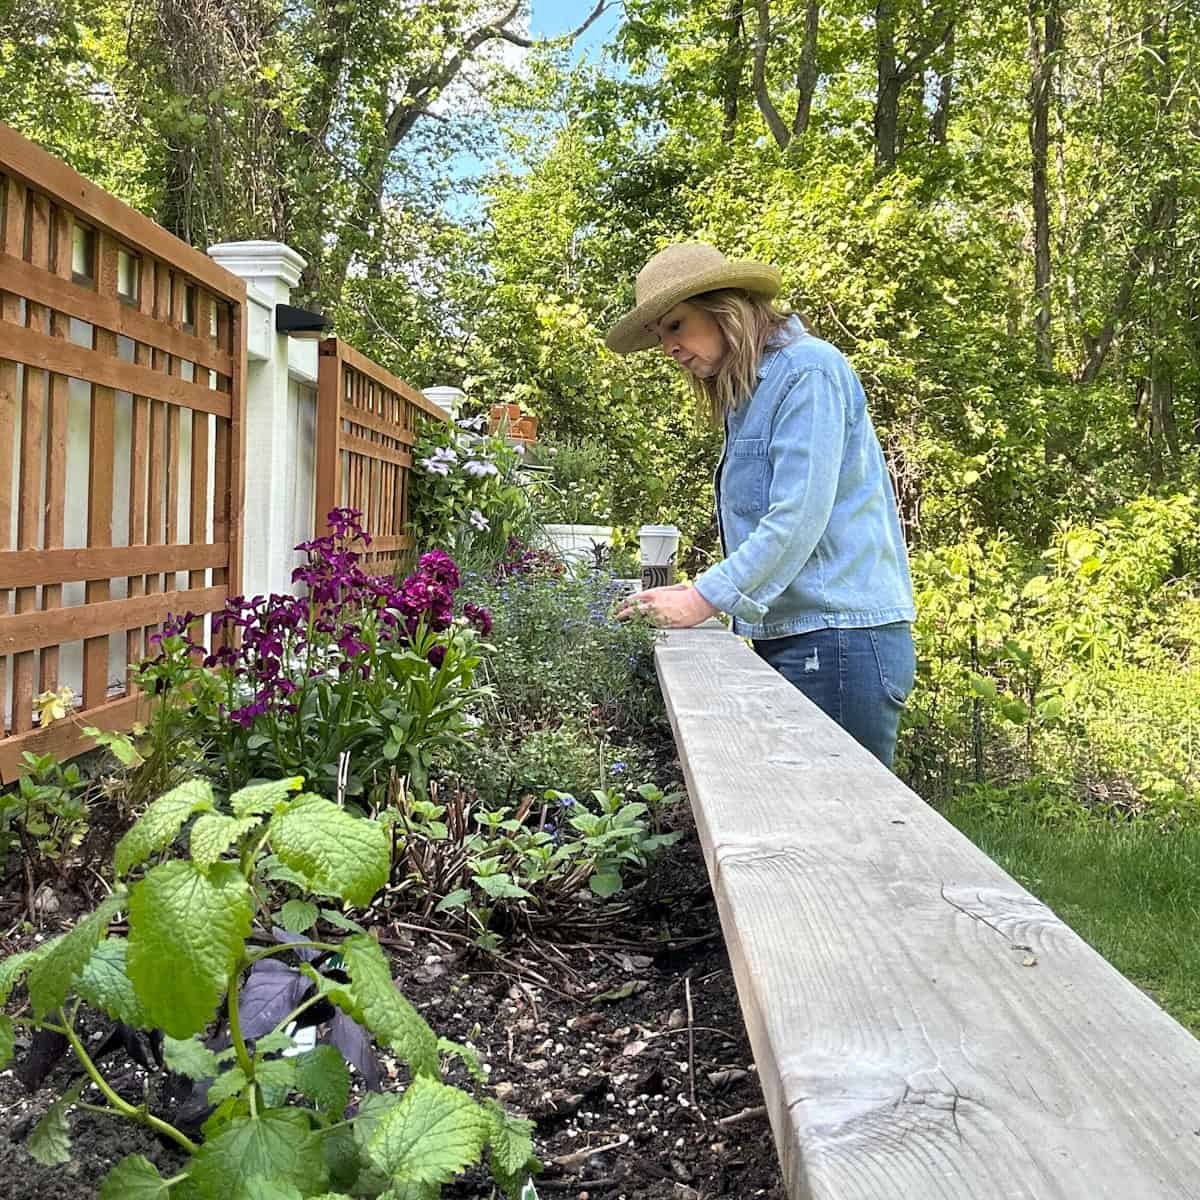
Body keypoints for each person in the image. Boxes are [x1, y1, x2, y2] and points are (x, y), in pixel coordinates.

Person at [608, 242, 915, 768]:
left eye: (676, 325)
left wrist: (704, 598)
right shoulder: (753, 389)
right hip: (804, 636)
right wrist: (703, 588)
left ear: (723, 305)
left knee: (841, 825)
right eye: (660, 335)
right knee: (812, 825)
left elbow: (797, 519)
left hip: (840, 639)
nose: (669, 348)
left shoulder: (806, 373)